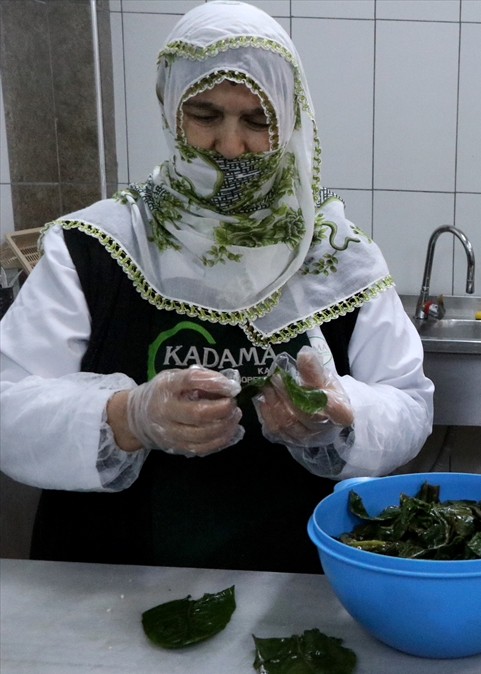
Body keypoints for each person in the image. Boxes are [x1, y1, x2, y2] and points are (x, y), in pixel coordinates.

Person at [0, 1, 433, 573]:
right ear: (170, 109)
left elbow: (408, 401)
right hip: (111, 579)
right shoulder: (96, 245)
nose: (230, 146)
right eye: (205, 115)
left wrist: (340, 419)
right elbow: (8, 403)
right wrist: (128, 416)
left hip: (292, 587)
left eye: (257, 121)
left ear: (290, 119)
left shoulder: (334, 253)